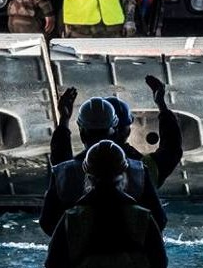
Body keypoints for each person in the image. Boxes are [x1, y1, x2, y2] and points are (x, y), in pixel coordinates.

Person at [41, 96, 166, 234]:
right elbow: (159, 221)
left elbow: (47, 222)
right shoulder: (140, 171)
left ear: (82, 133)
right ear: (114, 130)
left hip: (79, 253)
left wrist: (64, 120)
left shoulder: (63, 172)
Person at [51, 76, 183, 188]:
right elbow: (172, 150)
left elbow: (60, 161)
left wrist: (64, 119)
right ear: (117, 132)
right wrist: (161, 105)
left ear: (82, 134)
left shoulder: (69, 173)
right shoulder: (143, 170)